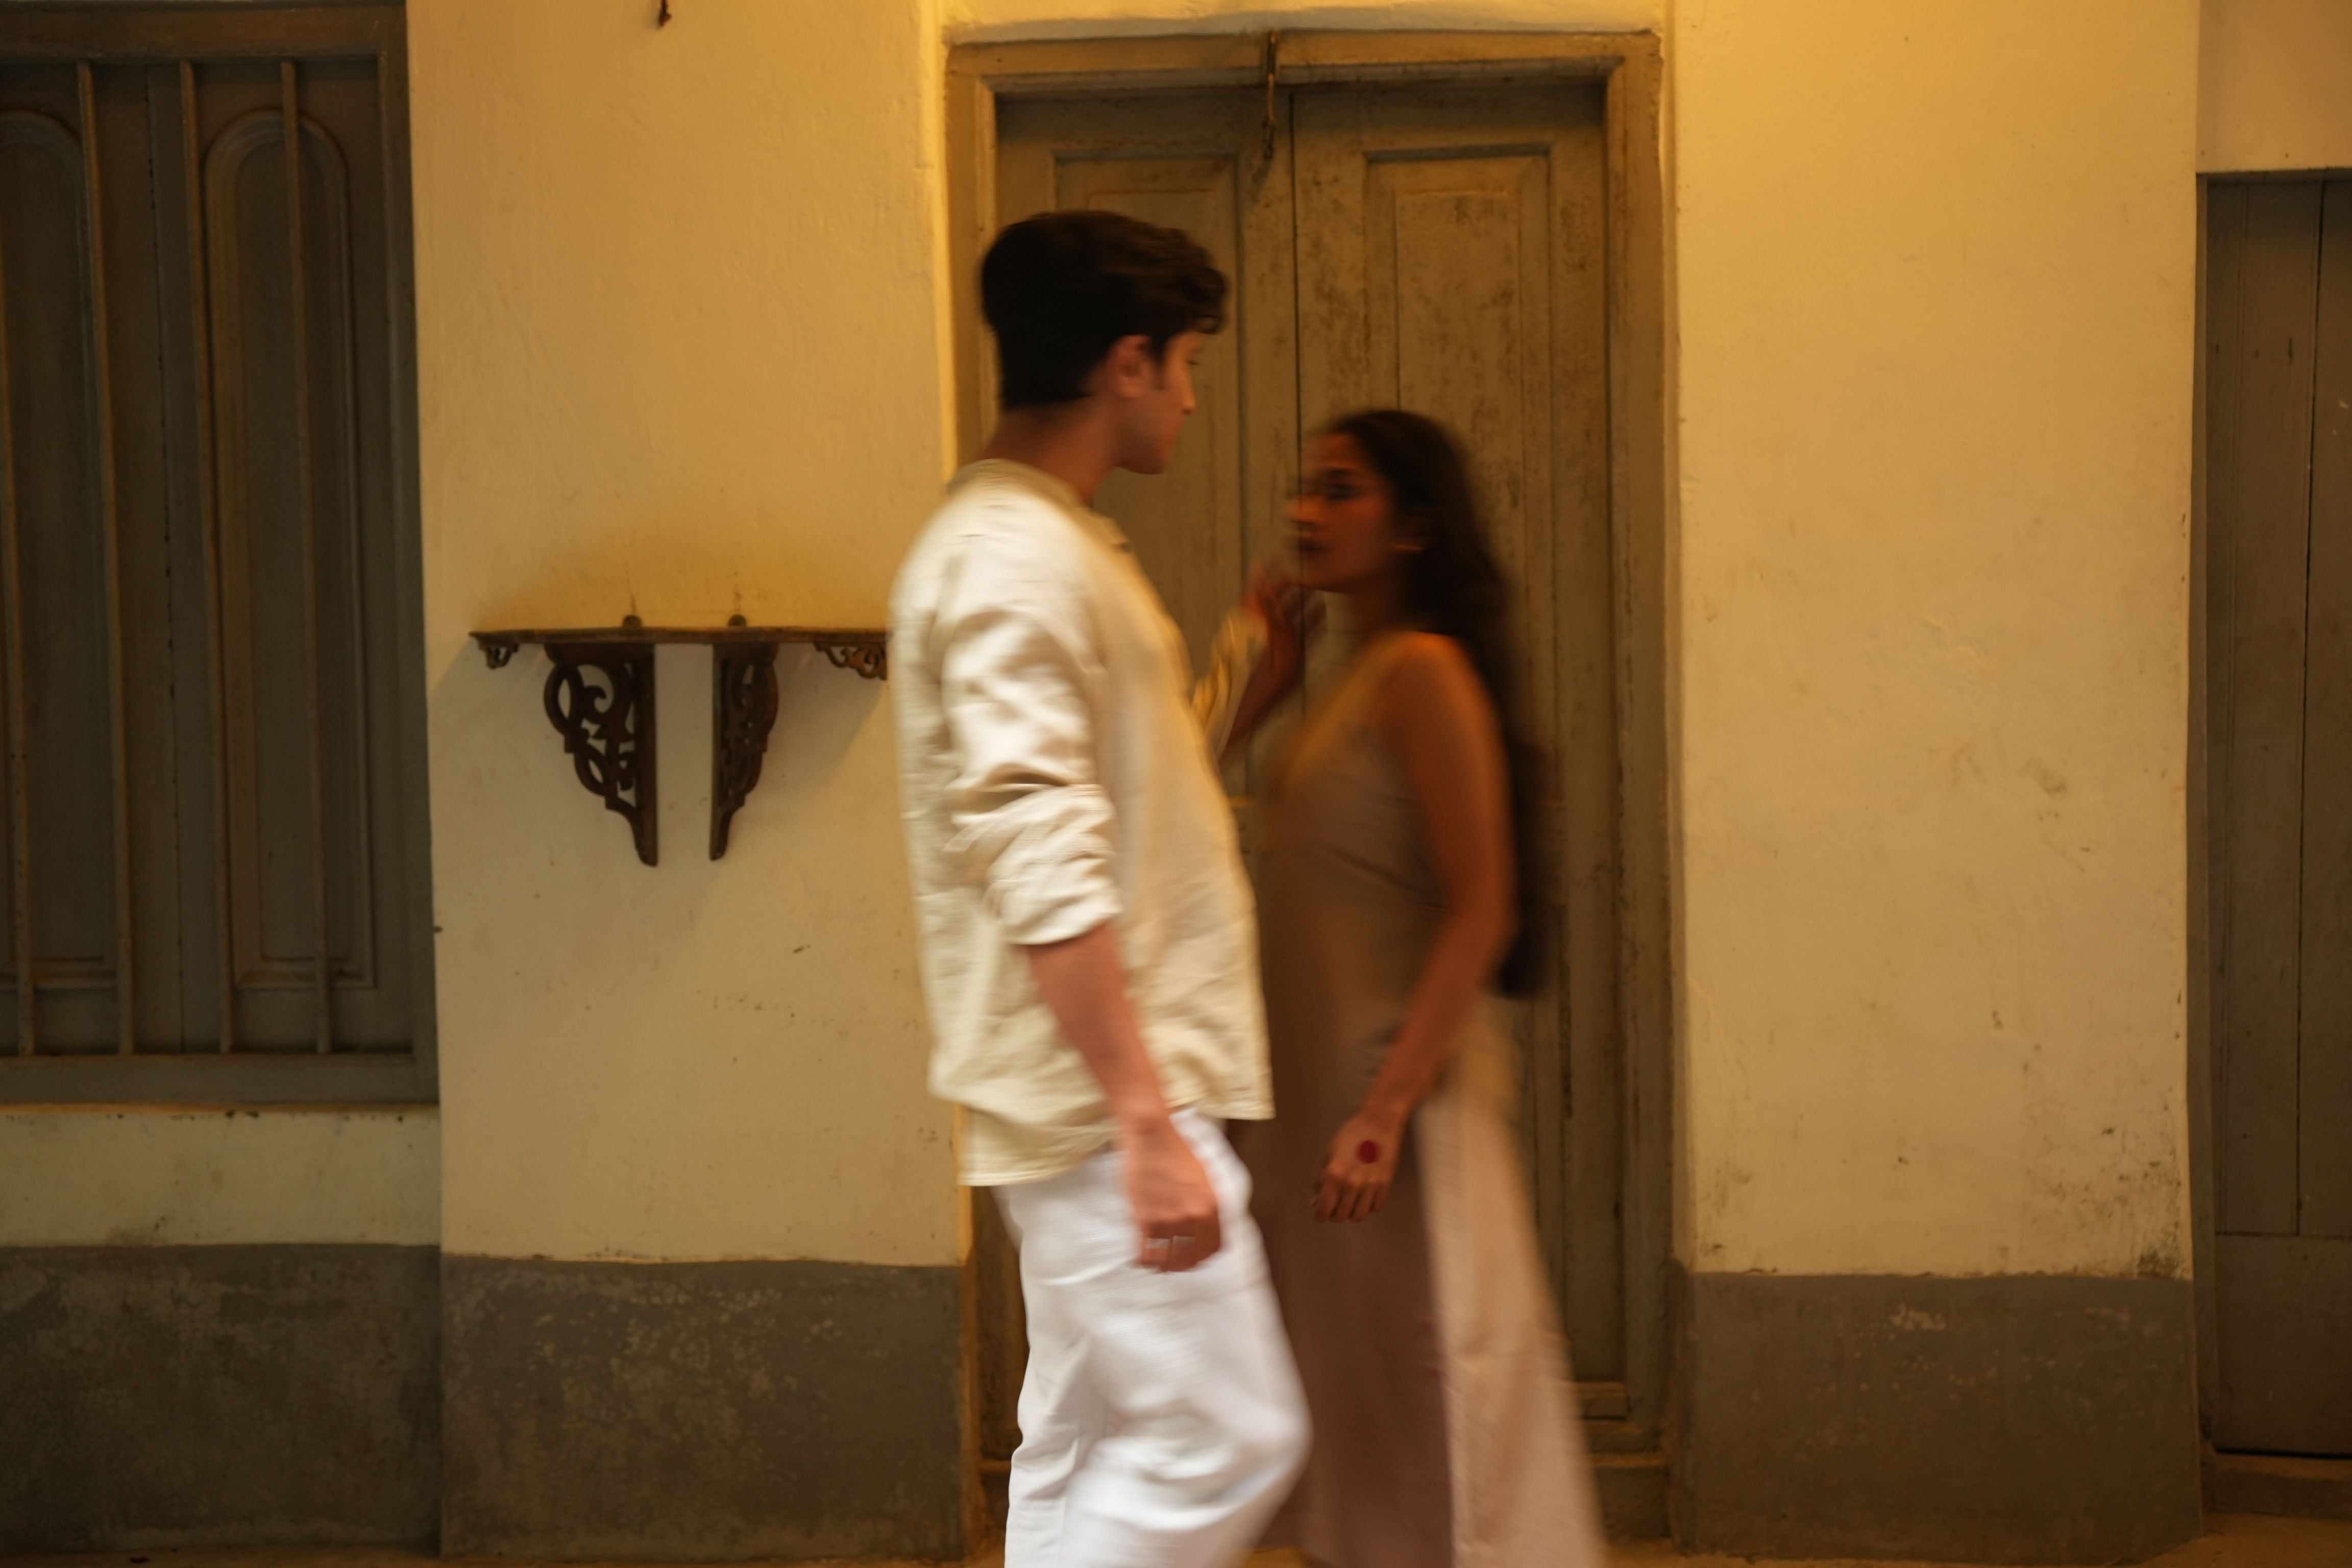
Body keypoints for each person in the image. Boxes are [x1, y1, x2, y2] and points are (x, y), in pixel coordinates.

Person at [889, 210, 1308, 1568]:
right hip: (1101, 1104)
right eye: (1184, 364)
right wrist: (1143, 1120)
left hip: (1089, 1099)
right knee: (1229, 1438)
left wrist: (1241, 687)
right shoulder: (1013, 559)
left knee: (1081, 1441)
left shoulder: (1039, 543)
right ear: (1127, 363)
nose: (1188, 396)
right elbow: (1035, 845)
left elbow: (1106, 797)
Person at [1231, 410, 1609, 1568]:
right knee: (1347, 1406)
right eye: (1307, 486)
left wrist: (1385, 1113)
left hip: (1387, 1118)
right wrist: (1262, 692)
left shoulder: (1427, 674)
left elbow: (1482, 908)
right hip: (1318, 1114)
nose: (1306, 511)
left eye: (1341, 490)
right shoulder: (1359, 676)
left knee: (1428, 1412)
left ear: (1414, 528)